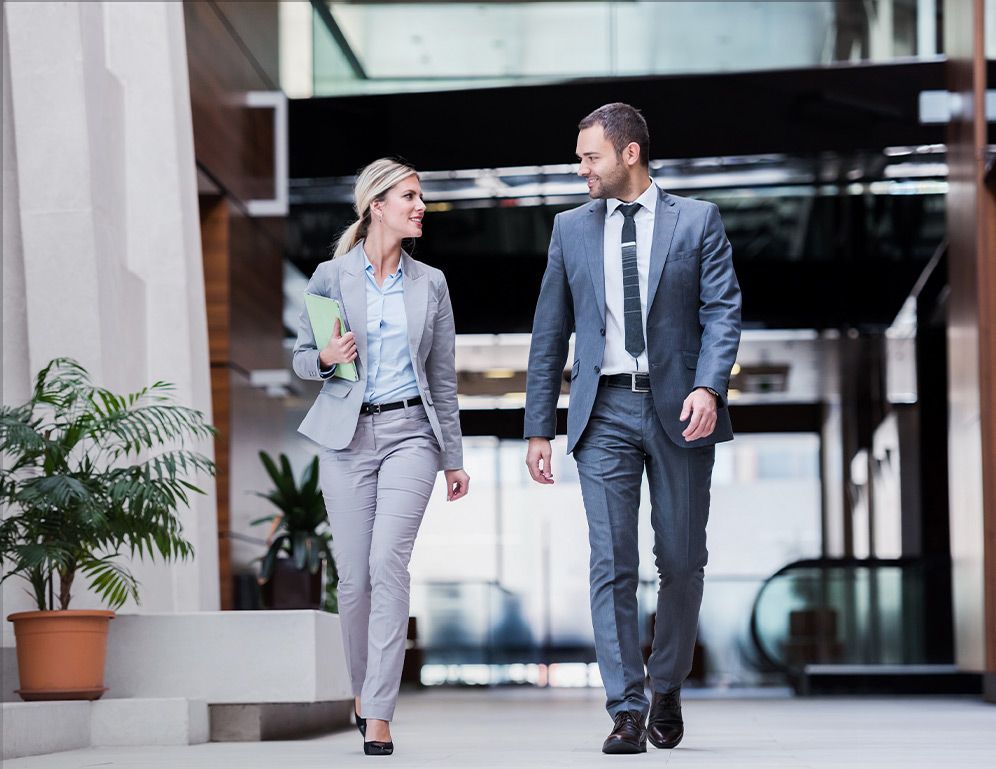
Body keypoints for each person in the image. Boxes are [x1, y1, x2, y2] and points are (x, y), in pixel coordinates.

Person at [524, 103, 741, 754]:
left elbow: (722, 310)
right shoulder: (569, 229)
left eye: (589, 156)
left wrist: (710, 384)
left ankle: (667, 682)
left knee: (680, 559)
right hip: (603, 411)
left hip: (681, 406)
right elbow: (548, 332)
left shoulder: (697, 221)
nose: (580, 167)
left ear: (630, 154)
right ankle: (625, 706)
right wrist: (539, 425)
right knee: (610, 562)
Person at [293, 157, 470, 756]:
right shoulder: (330, 277)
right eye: (410, 196)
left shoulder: (432, 284)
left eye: (421, 197)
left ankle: (380, 714)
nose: (421, 206)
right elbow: (299, 358)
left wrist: (453, 457)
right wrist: (323, 356)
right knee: (354, 580)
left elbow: (442, 379)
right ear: (378, 206)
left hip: (411, 436)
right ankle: (362, 693)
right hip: (345, 438)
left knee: (387, 564)